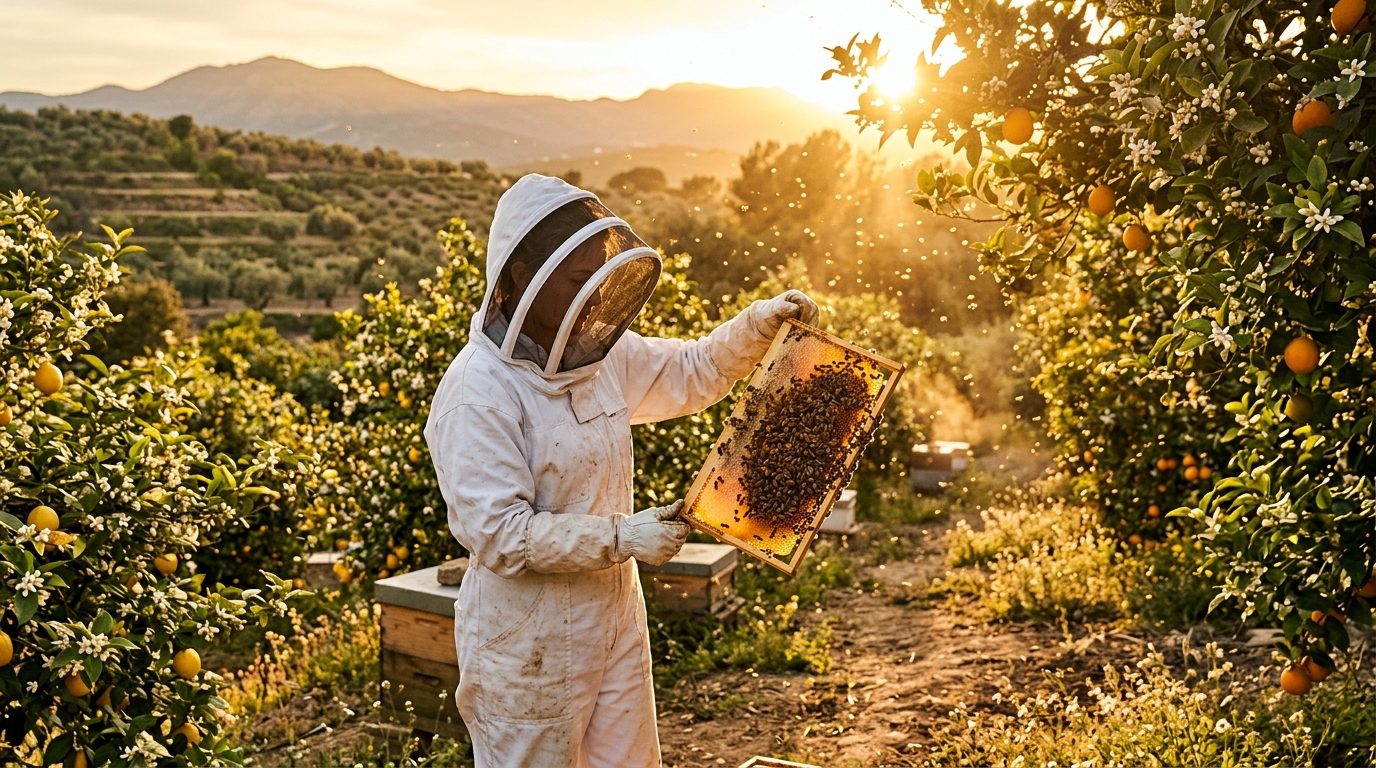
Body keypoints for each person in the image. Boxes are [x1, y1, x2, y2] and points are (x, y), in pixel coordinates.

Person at [424, 173, 818, 767]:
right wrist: (619, 535)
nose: (595, 300)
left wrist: (757, 324)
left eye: (598, 277)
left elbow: (694, 369)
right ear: (519, 280)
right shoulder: (477, 395)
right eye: (579, 282)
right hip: (525, 641)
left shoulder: (598, 354)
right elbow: (501, 534)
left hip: (613, 617)